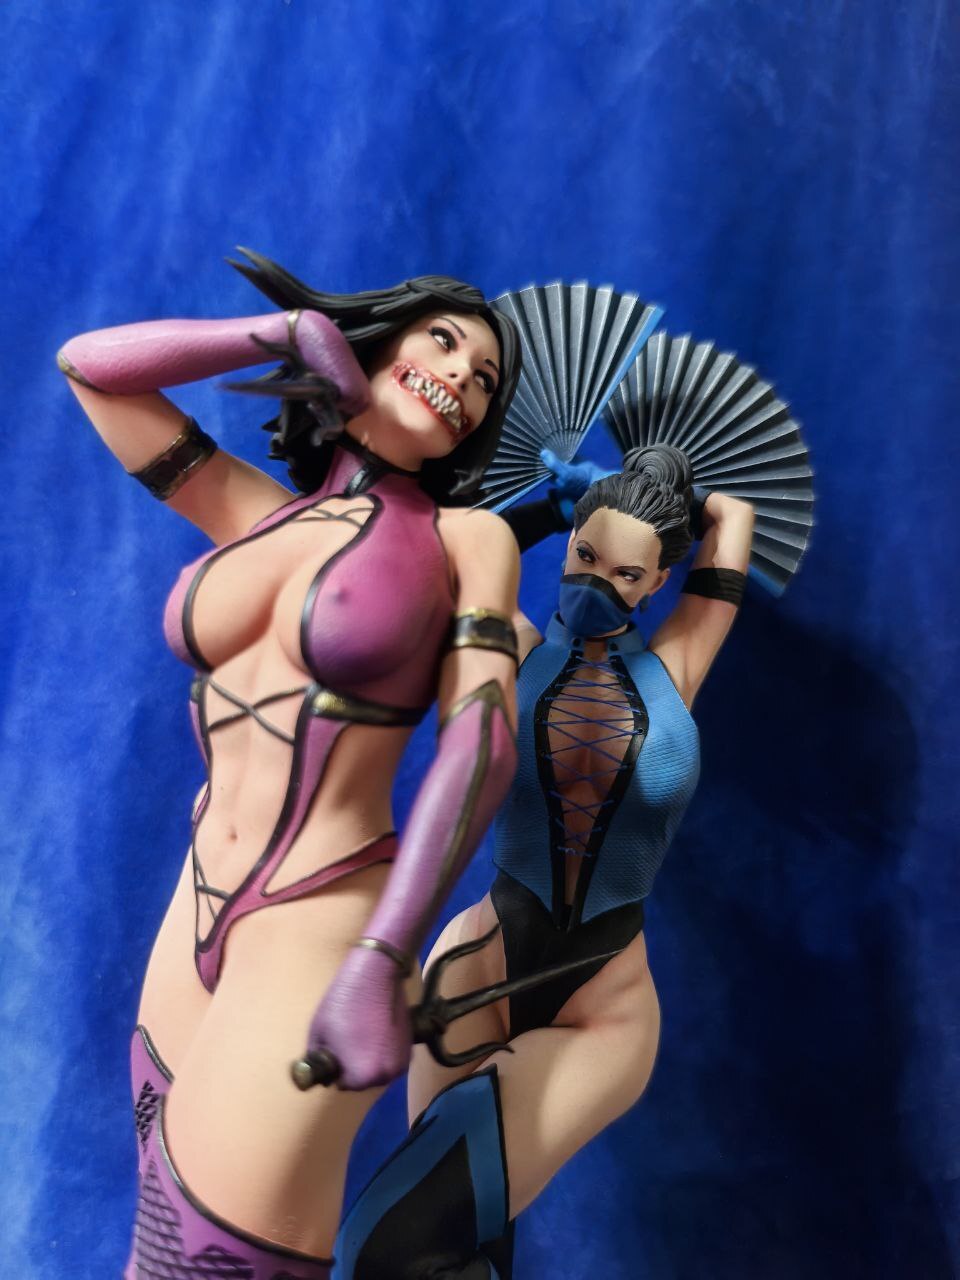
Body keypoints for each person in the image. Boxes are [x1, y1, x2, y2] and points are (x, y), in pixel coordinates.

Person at [57, 251, 524, 1277]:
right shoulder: (252, 511)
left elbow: (482, 742)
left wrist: (385, 956)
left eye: (486, 379)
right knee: (156, 1234)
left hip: (319, 925)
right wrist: (274, 335)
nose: (463, 374)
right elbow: (92, 368)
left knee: (204, 1265)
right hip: (196, 905)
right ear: (381, 343)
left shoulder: (467, 541)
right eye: (444, 340)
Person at [334, 444, 754, 1279]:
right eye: (585, 555)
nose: (597, 582)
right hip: (472, 972)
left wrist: (656, 492)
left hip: (602, 1007)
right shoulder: (515, 647)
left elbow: (733, 515)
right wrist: (552, 503)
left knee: (386, 1250)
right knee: (464, 1255)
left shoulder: (678, 666)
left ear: (658, 581)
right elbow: (447, 546)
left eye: (626, 572)